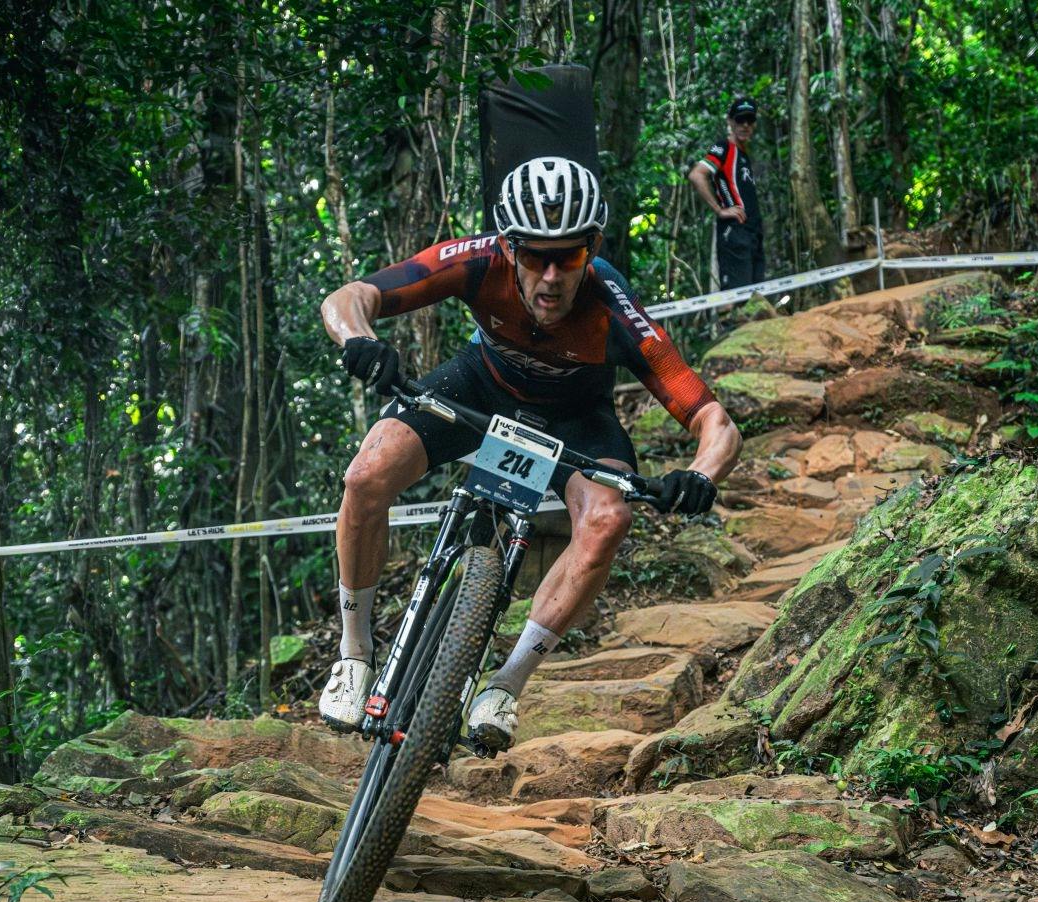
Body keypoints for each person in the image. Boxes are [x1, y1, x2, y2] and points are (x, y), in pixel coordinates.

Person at [317, 157, 742, 749]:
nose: (549, 276)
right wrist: (361, 341)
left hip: (577, 418)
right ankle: (354, 654)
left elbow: (715, 422)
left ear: (591, 249)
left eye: (567, 256)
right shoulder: (477, 260)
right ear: (508, 245)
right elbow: (349, 296)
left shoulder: (612, 308)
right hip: (480, 387)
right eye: (532, 254)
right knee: (366, 475)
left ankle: (506, 685)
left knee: (609, 518)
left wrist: (699, 475)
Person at [689, 98, 765, 290]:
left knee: (757, 295)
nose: (745, 125)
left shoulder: (743, 153)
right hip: (735, 231)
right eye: (740, 120)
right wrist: (720, 210)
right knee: (737, 297)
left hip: (753, 232)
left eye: (749, 120)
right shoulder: (724, 147)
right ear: (730, 122)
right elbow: (697, 175)